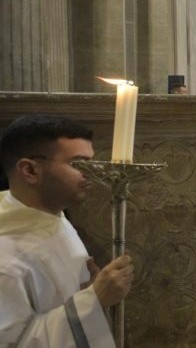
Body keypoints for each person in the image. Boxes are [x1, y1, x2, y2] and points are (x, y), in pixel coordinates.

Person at [0, 115, 134, 347]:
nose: (91, 173)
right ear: (30, 171)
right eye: (78, 164)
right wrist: (94, 300)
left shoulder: (49, 216)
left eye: (91, 162)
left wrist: (90, 291)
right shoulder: (6, 256)